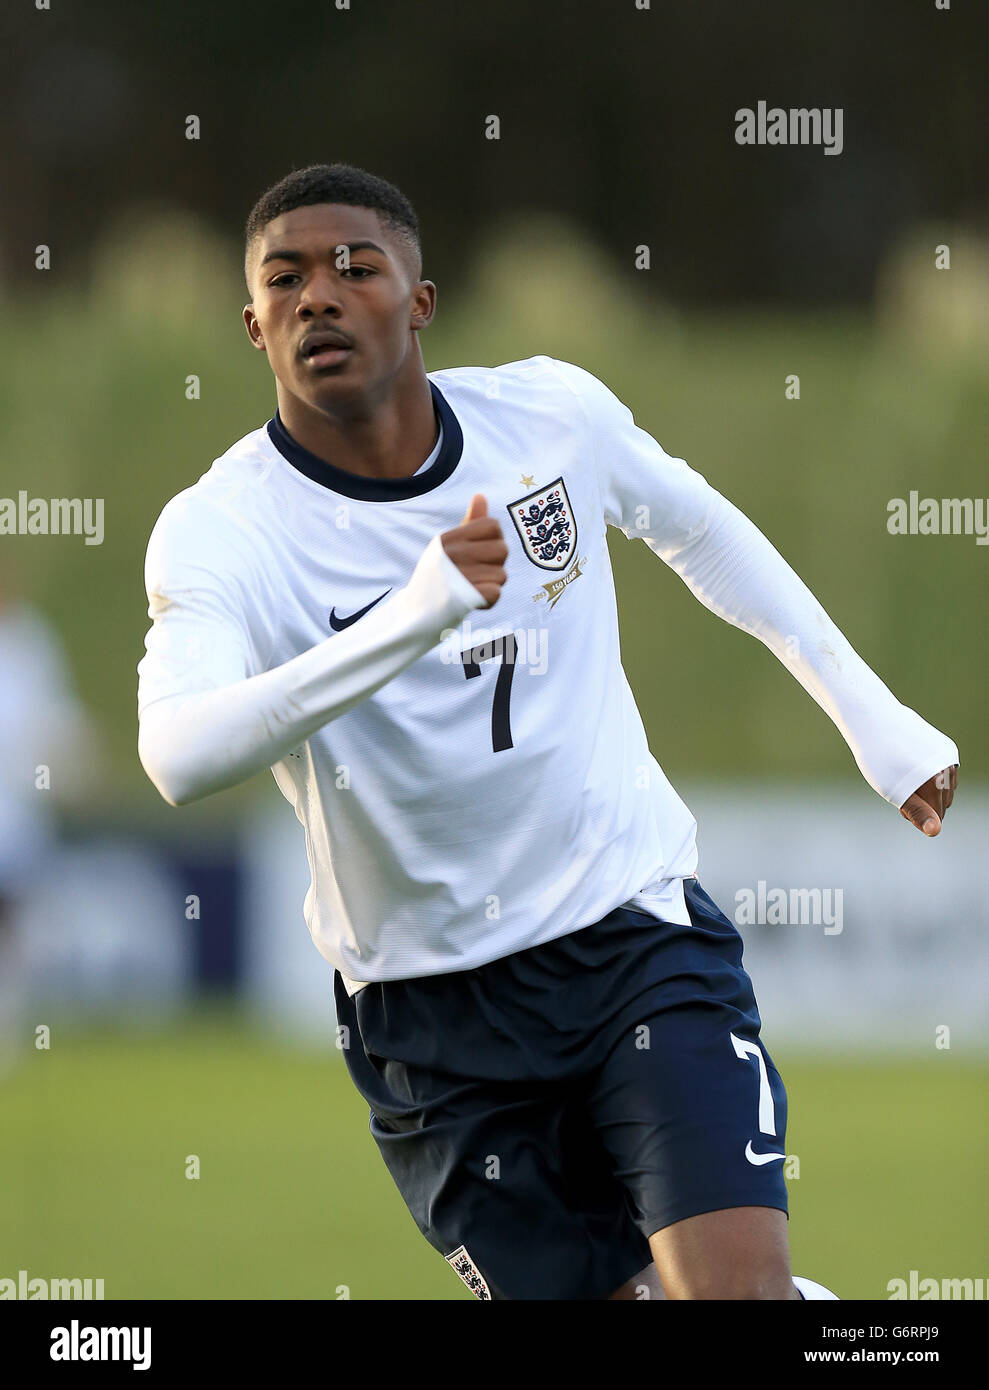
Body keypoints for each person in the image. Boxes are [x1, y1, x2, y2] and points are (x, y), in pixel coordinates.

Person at [137, 163, 958, 1301]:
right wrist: (411, 615)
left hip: (627, 937)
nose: (318, 295)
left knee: (733, 1291)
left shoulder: (547, 418)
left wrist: (872, 718)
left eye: (354, 267)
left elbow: (700, 528)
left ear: (419, 301)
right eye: (285, 280)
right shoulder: (220, 530)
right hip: (429, 1024)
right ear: (252, 324)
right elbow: (177, 755)